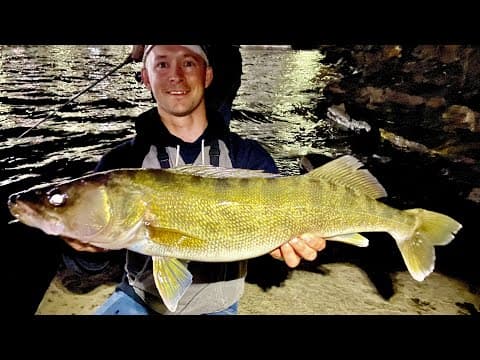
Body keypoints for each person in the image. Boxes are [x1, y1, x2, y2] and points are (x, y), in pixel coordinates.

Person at [62, 45, 326, 315]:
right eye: (162, 65)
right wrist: (86, 250)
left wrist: (284, 245)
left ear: (208, 75)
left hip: (217, 307)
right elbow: (86, 268)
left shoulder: (249, 157)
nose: (176, 75)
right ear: (145, 77)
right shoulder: (121, 163)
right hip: (139, 299)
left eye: (188, 64)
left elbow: (271, 252)